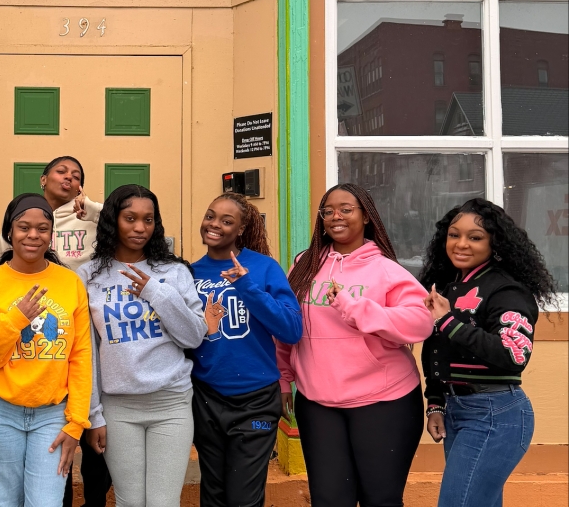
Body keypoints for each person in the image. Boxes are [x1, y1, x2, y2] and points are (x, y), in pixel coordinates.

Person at [276, 183, 432, 507]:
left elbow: (420, 322)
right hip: (318, 403)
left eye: (346, 209)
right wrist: (283, 378)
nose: (336, 216)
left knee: (380, 499)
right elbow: (287, 326)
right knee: (329, 500)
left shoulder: (386, 270)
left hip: (383, 402)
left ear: (367, 217)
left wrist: (355, 308)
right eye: (328, 211)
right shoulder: (304, 266)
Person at [420, 198, 556, 507]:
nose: (461, 244)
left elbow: (513, 355)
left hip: (495, 413)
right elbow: (437, 348)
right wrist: (436, 402)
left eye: (475, 237)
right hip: (458, 410)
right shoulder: (447, 285)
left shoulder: (507, 290)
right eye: (454, 235)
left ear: (495, 243)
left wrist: (447, 319)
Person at [79, 185, 207, 507]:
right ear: (112, 221)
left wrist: (155, 291)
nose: (140, 228)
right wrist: (94, 415)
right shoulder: (89, 276)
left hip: (172, 404)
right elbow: (88, 353)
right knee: (130, 502)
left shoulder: (174, 272)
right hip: (117, 407)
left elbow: (193, 336)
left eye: (148, 220)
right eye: (130, 218)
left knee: (163, 502)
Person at [0, 156, 111, 507]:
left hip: (86, 323)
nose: (70, 178)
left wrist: (91, 208)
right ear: (44, 179)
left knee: (91, 421)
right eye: (63, 171)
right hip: (32, 343)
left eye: (77, 174)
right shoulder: (21, 220)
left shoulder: (90, 216)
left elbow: (123, 218)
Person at [0, 193, 93, 507]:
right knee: (3, 502)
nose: (33, 235)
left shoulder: (70, 282)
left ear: (52, 235)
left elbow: (80, 356)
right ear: (10, 231)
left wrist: (76, 422)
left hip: (53, 414)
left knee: (46, 503)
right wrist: (16, 320)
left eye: (42, 228)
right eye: (24, 227)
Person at [189, 193, 302, 507]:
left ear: (240, 229)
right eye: (211, 216)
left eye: (227, 221)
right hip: (206, 396)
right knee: (213, 492)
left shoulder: (263, 267)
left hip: (255, 400)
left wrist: (246, 286)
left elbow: (291, 329)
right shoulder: (189, 272)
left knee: (243, 498)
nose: (215, 225)